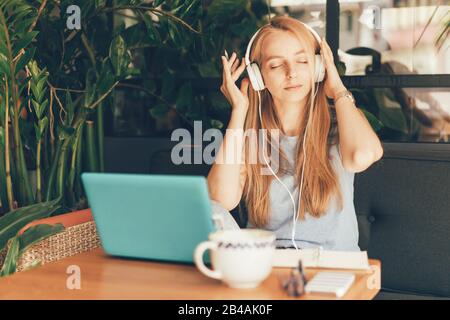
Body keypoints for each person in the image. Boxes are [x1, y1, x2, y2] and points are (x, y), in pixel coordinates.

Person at [207, 16, 383, 251]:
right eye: (276, 65)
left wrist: (338, 89)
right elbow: (220, 199)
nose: (292, 73)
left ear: (319, 67)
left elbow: (362, 155)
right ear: (259, 77)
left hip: (331, 265)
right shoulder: (249, 136)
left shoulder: (343, 123)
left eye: (302, 61)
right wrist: (239, 111)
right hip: (268, 266)